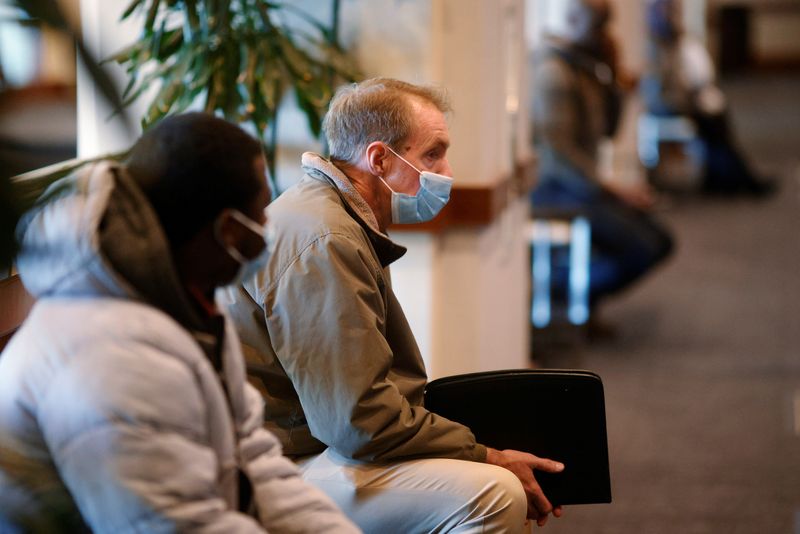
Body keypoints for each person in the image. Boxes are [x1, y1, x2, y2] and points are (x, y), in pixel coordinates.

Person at [221, 78, 565, 533]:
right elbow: (357, 423)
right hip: (275, 465)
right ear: (380, 158)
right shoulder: (326, 240)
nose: (446, 170)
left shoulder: (333, 216)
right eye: (432, 154)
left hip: (305, 443)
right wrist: (487, 454)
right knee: (495, 492)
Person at [0, 113, 358, 533]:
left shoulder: (187, 305)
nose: (268, 230)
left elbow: (252, 461)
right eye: (260, 216)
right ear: (226, 230)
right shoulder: (113, 355)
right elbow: (175, 525)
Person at [530, 0, 674, 326]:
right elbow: (559, 158)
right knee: (642, 246)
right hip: (553, 188)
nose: (601, 30)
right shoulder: (553, 71)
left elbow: (608, 130)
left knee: (657, 239)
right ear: (571, 17)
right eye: (595, 21)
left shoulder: (585, 66)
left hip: (578, 186)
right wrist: (614, 190)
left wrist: (613, 78)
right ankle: (561, 293)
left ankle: (576, 296)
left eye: (604, 22)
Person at [641, 0, 775, 195]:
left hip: (681, 101)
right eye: (665, 12)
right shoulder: (651, 46)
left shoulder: (673, 41)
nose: (669, 16)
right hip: (665, 105)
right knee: (712, 123)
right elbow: (660, 86)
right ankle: (740, 179)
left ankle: (724, 177)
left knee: (715, 119)